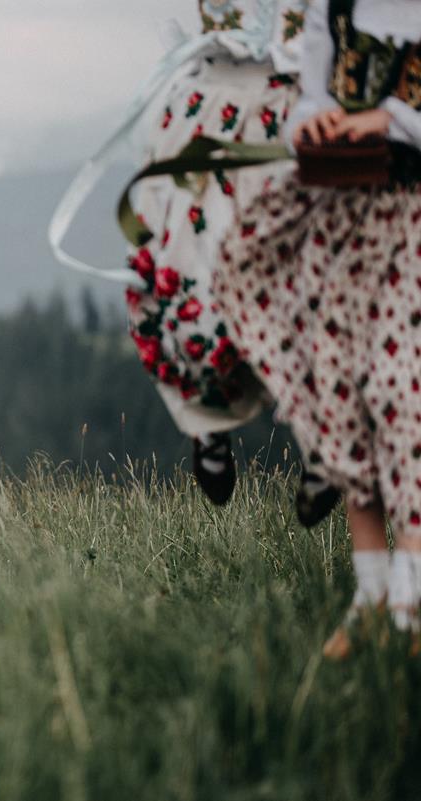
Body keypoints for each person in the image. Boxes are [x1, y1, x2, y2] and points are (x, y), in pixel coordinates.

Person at [50, 1, 328, 510]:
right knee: (187, 265)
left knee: (300, 267)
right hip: (208, 104)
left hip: (291, 104)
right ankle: (209, 426)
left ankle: (323, 441)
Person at [213, 0, 421, 656]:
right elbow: (306, 102)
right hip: (341, 219)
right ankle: (371, 591)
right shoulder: (337, 10)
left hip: (413, 223)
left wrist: (390, 118)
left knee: (402, 393)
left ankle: (412, 600)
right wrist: (319, 122)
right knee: (343, 393)